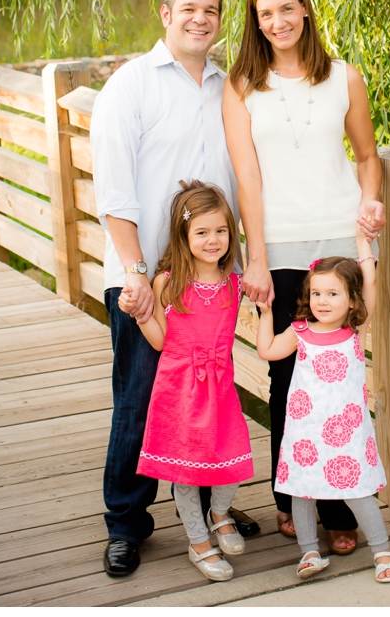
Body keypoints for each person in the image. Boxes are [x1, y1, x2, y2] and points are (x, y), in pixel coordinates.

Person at [90, 0, 259, 579]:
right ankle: (127, 522)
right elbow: (113, 190)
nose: (201, 19)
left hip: (211, 278)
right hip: (148, 283)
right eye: (189, 8)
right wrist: (136, 272)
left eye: (211, 10)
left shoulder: (229, 87)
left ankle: (212, 504)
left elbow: (244, 176)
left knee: (208, 401)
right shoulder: (129, 87)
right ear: (165, 14)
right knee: (140, 400)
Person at [222, 0, 386, 551]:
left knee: (339, 379)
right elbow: (246, 179)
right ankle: (293, 499)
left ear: (305, 10)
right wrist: (257, 258)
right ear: (256, 23)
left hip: (342, 243)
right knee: (289, 376)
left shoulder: (345, 77)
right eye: (266, 14)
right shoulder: (242, 84)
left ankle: (341, 506)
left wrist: (370, 204)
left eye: (286, 8)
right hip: (283, 246)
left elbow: (367, 157)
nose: (278, 21)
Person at [120, 181, 253, 582]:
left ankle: (219, 513)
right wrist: (140, 313)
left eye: (221, 231)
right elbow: (161, 340)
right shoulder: (169, 281)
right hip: (179, 388)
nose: (213, 240)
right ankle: (198, 541)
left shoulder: (235, 283)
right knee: (185, 472)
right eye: (202, 232)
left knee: (232, 459)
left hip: (220, 387)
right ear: (184, 235)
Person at [256, 221, 390, 583]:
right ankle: (308, 552)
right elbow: (267, 351)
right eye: (317, 293)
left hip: (347, 434)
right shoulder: (299, 331)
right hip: (305, 433)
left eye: (333, 294)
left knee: (357, 492)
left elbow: (370, 280)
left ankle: (382, 550)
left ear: (352, 300)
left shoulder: (353, 331)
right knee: (302, 492)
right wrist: (265, 315)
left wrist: (361, 242)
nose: (323, 301)